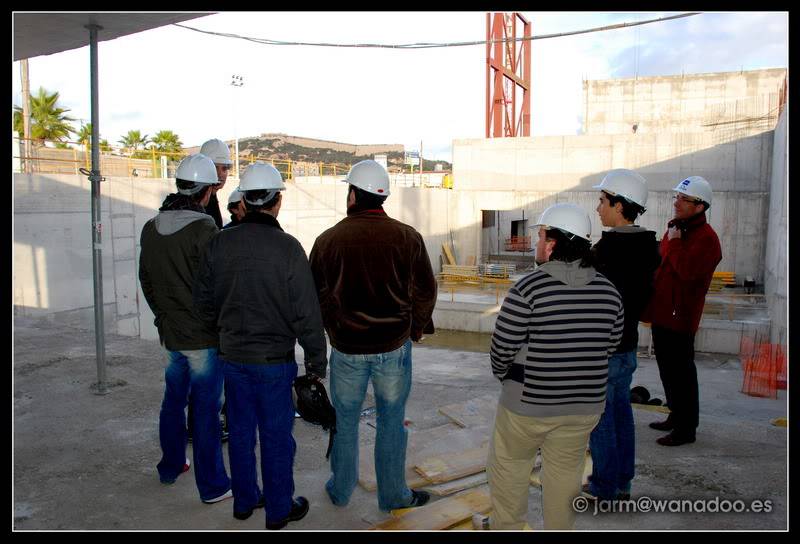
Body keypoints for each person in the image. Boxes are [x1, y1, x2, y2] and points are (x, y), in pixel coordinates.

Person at [193, 162, 327, 530]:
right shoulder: (287, 248)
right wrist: (317, 360)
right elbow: (306, 313)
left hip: (232, 358)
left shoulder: (219, 242)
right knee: (275, 437)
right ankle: (278, 509)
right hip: (273, 363)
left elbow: (203, 300)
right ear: (276, 201)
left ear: (246, 201)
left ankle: (244, 501)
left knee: (238, 432)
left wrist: (221, 335)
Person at [308, 159, 438, 513]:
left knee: (346, 421)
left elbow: (315, 296)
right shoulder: (407, 237)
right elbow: (425, 289)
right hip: (393, 348)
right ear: (382, 197)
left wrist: (331, 329)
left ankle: (341, 489)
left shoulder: (327, 241)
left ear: (353, 195)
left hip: (347, 351)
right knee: (391, 422)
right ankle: (394, 496)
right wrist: (416, 328)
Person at [486, 203, 624, 530]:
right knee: (565, 474)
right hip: (583, 407)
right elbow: (611, 344)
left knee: (509, 469)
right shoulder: (608, 291)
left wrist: (507, 378)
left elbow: (501, 348)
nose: (537, 242)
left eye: (540, 235)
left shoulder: (529, 288)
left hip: (528, 407)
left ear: (552, 244)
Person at [138, 153, 232, 504]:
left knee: (172, 402)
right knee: (206, 411)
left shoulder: (152, 227)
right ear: (207, 192)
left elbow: (146, 279)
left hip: (171, 334)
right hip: (203, 338)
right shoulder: (205, 229)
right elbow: (218, 285)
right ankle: (213, 487)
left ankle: (171, 466)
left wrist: (163, 316)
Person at [586, 169, 661, 502]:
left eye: (603, 201)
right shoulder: (647, 246)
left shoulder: (612, 249)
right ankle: (622, 482)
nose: (598, 208)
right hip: (627, 345)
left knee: (600, 420)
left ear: (620, 205)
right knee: (621, 415)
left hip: (604, 350)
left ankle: (605, 486)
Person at [642, 176, 721, 447]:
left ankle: (686, 429)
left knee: (682, 374)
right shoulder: (676, 229)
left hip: (681, 318)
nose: (676, 202)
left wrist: (674, 243)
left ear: (700, 206)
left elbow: (688, 272)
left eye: (683, 199)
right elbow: (661, 265)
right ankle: (675, 415)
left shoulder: (707, 239)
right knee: (667, 370)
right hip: (663, 313)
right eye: (676, 197)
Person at [199, 138, 233, 229]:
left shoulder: (211, 197)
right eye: (215, 167)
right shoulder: (198, 202)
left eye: (224, 168)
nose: (220, 174)